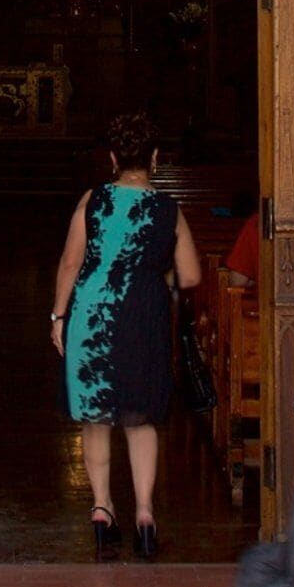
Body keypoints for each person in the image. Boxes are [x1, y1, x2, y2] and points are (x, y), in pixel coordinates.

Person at [51, 115, 204, 559]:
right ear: (154, 159)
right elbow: (191, 275)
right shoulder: (167, 209)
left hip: (92, 315)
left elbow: (69, 264)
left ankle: (101, 509)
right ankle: (144, 514)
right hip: (145, 314)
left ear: (114, 159)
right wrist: (159, 271)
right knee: (140, 419)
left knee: (96, 418)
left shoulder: (92, 200)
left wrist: (58, 315)